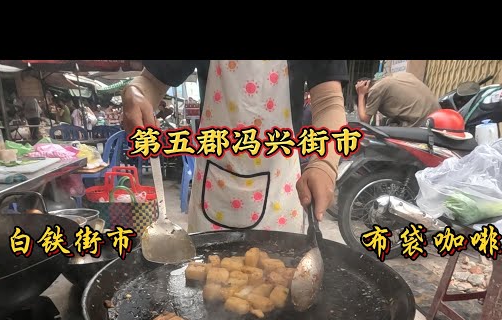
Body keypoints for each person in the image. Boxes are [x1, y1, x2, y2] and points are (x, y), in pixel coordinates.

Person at [123, 60, 348, 234]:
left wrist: (324, 164)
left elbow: (329, 102)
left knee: (281, 280)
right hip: (215, 188)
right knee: (205, 283)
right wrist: (135, 92)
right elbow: (151, 81)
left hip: (280, 189)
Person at [355, 71, 440, 127]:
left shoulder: (375, 90)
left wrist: (361, 94)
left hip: (422, 123)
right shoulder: (402, 75)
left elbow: (364, 121)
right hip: (437, 115)